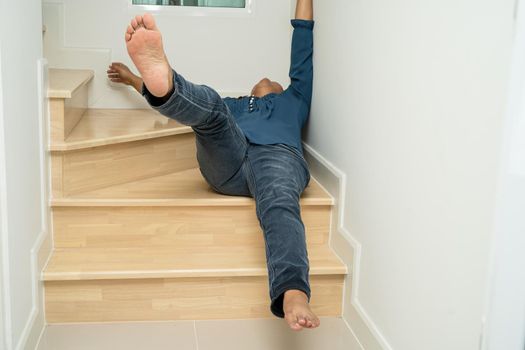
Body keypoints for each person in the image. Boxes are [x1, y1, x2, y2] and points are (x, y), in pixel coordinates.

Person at [108, 0, 318, 331]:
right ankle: (165, 85)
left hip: (277, 156)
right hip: (228, 162)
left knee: (279, 202)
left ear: (282, 89)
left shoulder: (295, 98)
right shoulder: (234, 105)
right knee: (212, 108)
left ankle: (292, 291)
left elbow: (302, 38)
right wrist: (137, 79)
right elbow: (196, 108)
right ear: (250, 91)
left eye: (273, 82)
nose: (265, 80)